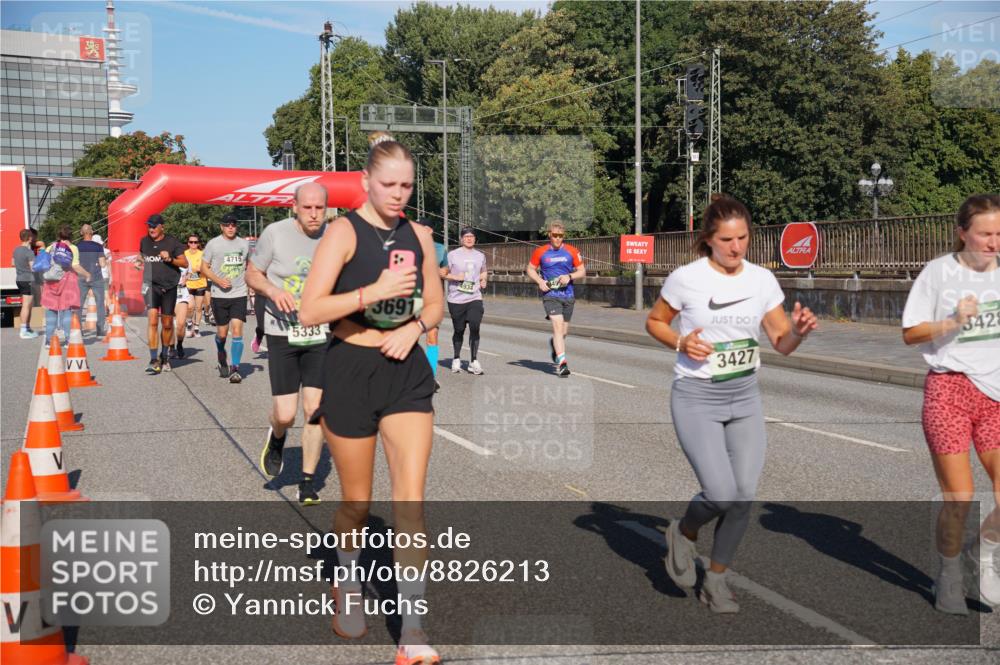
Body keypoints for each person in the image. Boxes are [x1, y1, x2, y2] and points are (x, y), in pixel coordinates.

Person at [299, 139, 444, 664]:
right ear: (365, 181)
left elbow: (436, 302)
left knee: (411, 504)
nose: (399, 195)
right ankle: (348, 577)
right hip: (350, 370)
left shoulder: (420, 235)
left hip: (406, 374)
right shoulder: (342, 232)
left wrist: (416, 326)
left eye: (407, 185)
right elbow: (311, 310)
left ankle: (413, 631)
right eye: (390, 184)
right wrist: (373, 291)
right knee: (356, 503)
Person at [645, 194, 818, 613]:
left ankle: (716, 581)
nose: (736, 247)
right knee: (721, 492)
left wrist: (799, 331)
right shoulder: (687, 278)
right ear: (708, 239)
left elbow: (781, 343)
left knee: (742, 498)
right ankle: (684, 531)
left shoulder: (761, 280)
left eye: (742, 238)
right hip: (696, 397)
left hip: (744, 396)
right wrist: (682, 341)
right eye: (726, 239)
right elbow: (654, 322)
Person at [901, 193, 1000, 614]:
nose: (994, 242)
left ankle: (986, 552)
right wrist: (953, 321)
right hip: (949, 392)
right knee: (960, 497)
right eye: (985, 234)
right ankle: (949, 575)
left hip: (995, 395)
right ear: (962, 233)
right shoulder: (938, 273)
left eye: (999, 233)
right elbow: (910, 333)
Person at [245, 183, 329, 506]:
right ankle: (277, 437)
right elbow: (252, 274)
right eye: (307, 207)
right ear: (294, 206)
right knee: (285, 413)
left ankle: (307, 482)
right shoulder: (274, 234)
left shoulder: (334, 238)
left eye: (319, 208)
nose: (313, 214)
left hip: (320, 333)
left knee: (315, 410)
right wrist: (272, 291)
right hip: (282, 333)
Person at [527, 220, 585, 377]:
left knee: (563, 331)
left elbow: (582, 271)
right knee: (558, 327)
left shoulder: (572, 251)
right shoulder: (541, 251)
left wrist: (569, 276)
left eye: (560, 236)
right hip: (550, 296)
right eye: (555, 235)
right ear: (549, 235)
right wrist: (540, 281)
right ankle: (562, 363)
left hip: (568, 295)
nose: (558, 238)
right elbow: (530, 269)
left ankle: (555, 346)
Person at [200, 213, 251, 383]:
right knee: (222, 334)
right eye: (227, 224)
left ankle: (235, 368)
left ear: (236, 227)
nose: (230, 227)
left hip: (239, 292)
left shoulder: (244, 244)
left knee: (237, 330)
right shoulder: (213, 244)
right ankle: (221, 354)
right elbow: (204, 268)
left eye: (233, 224)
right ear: (221, 227)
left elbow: (250, 266)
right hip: (219, 295)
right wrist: (218, 280)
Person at [133, 214, 187, 374]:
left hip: (169, 286)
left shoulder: (172, 242)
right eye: (149, 226)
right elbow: (142, 254)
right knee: (152, 321)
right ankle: (153, 359)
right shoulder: (144, 241)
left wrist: (170, 259)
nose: (151, 229)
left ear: (162, 227)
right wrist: (139, 260)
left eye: (154, 226)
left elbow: (184, 263)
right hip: (150, 285)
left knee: (168, 324)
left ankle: (165, 356)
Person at [444, 226, 488, 375]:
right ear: (461, 239)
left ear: (475, 239)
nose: (469, 239)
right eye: (466, 236)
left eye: (472, 236)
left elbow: (483, 271)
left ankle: (473, 361)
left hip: (474, 297)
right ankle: (456, 358)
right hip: (456, 298)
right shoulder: (452, 255)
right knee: (459, 330)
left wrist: (483, 280)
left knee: (475, 326)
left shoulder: (480, 255)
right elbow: (442, 273)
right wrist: (456, 277)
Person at [41, 226, 90, 347]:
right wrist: (87, 274)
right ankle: (68, 340)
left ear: (59, 236)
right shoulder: (73, 248)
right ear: (70, 236)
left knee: (51, 310)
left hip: (51, 281)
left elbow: (44, 264)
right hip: (67, 281)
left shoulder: (50, 247)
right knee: (67, 310)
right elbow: (75, 265)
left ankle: (48, 341)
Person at [76, 224, 107, 337]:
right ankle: (100, 330)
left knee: (79, 304)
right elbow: (103, 264)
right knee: (99, 304)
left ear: (81, 233)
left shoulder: (77, 247)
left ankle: (78, 329)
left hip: (81, 277)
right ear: (92, 232)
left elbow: (75, 264)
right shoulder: (98, 246)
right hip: (96, 277)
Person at [13, 229, 38, 339]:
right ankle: (23, 330)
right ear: (30, 238)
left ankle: (27, 328)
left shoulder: (16, 250)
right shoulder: (29, 252)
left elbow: (12, 263)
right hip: (28, 279)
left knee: (29, 304)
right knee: (26, 305)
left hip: (19, 278)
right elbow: (34, 267)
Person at [184, 233, 208, 337]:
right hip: (188, 283)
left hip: (200, 283)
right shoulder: (184, 253)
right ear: (188, 243)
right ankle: (189, 322)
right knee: (190, 306)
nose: (193, 244)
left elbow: (207, 266)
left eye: (195, 242)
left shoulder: (202, 254)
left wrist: (201, 268)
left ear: (198, 243)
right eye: (191, 242)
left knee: (198, 307)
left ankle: (197, 327)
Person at [170, 263, 193, 359]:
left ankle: (179, 344)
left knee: (181, 324)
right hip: (168, 292)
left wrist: (186, 278)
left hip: (182, 293)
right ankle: (171, 347)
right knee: (168, 324)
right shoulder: (166, 258)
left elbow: (190, 272)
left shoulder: (185, 259)